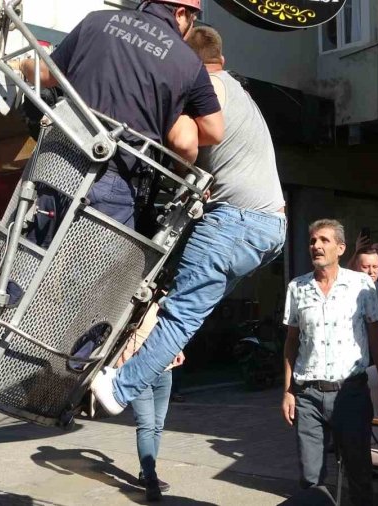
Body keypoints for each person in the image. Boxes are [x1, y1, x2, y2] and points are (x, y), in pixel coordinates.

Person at [91, 26, 286, 416]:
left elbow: (184, 143)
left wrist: (185, 173)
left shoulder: (202, 90)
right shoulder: (239, 91)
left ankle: (120, 388)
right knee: (182, 305)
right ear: (222, 59)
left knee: (178, 313)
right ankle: (140, 360)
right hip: (271, 229)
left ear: (185, 63)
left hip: (234, 222)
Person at [17, 0, 224, 229]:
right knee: (90, 263)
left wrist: (23, 65)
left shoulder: (96, 21)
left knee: (35, 253)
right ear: (181, 13)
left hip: (60, 163)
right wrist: (169, 124)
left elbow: (46, 75)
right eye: (192, 21)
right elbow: (214, 131)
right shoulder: (189, 62)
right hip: (118, 178)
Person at [281, 219, 378, 505]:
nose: (316, 246)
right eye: (312, 241)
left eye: (324, 240)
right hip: (308, 396)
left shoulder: (361, 285)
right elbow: (291, 342)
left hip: (351, 393)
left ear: (341, 248)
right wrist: (288, 390)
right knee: (310, 479)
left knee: (359, 473)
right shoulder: (298, 287)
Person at [116, 302, 186, 502]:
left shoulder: (169, 298)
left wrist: (179, 348)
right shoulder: (137, 298)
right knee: (146, 425)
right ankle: (151, 480)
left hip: (164, 370)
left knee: (157, 425)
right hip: (137, 370)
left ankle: (145, 472)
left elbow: (175, 327)